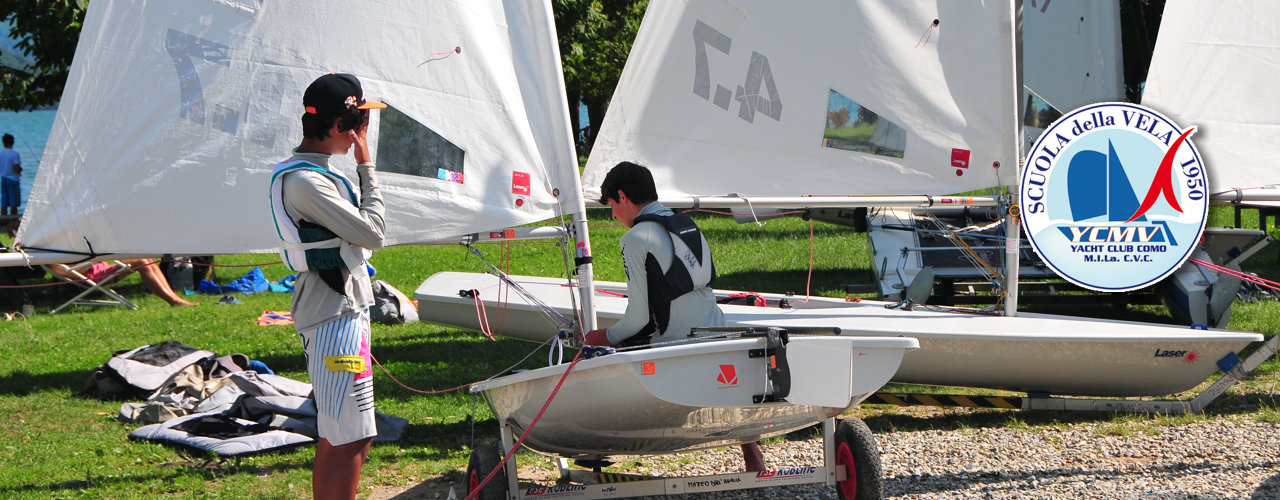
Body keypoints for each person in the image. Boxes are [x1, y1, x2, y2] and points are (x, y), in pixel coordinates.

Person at [583, 161, 766, 472]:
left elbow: (639, 320)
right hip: (717, 335)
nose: (613, 216)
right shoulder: (685, 224)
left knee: (594, 348)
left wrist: (601, 337)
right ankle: (752, 450)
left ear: (623, 197)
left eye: (612, 205)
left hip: (674, 348)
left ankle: (595, 444)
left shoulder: (636, 238)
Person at [268, 73, 386, 500]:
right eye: (360, 125)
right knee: (348, 437)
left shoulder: (312, 173)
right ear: (339, 127)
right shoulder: (306, 182)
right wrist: (366, 165)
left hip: (341, 312)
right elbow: (373, 233)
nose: (362, 134)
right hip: (333, 317)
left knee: (348, 433)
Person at [48, 258, 195, 307]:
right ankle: (173, 300)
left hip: (101, 270)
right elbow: (64, 273)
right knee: (141, 262)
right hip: (93, 277)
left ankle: (173, 296)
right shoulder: (47, 257)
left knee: (147, 259)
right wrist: (92, 260)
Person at [0, 133, 21, 216]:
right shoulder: (14, 154)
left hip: (3, 179)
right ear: (13, 142)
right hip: (13, 180)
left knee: (4, 202)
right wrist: (20, 170)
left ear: (3, 142)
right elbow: (16, 167)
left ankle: (4, 222)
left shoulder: (1, 153)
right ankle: (13, 220)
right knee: (14, 203)